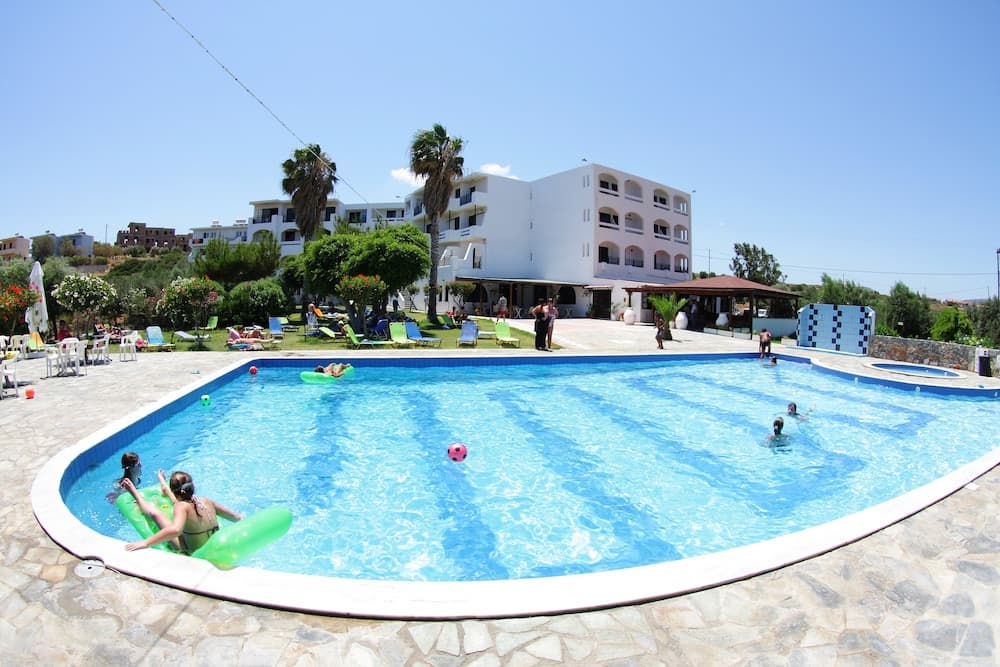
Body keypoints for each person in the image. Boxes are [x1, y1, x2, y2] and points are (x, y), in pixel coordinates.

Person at [123, 470, 241, 554]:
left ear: (174, 491)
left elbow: (175, 530)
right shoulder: (206, 501)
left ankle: (135, 494)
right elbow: (235, 517)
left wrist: (146, 543)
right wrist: (162, 481)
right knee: (179, 503)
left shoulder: (180, 507)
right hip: (215, 546)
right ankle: (163, 484)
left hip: (194, 551)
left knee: (156, 514)